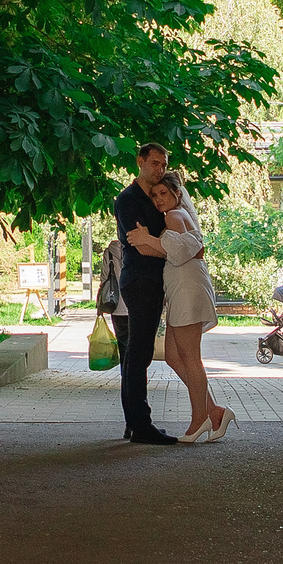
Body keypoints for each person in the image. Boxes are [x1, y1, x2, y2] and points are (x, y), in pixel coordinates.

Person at [139, 170, 235, 443]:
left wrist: (147, 239)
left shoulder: (174, 216)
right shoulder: (178, 216)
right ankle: (214, 411)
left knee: (190, 357)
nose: (158, 199)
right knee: (173, 356)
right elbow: (186, 247)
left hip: (187, 288)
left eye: (163, 194)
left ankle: (199, 420)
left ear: (177, 194)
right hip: (181, 289)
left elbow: (183, 251)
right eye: (154, 195)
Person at [109, 144, 180, 444]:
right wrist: (161, 242)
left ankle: (135, 422)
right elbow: (140, 244)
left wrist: (156, 240)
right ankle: (140, 424)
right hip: (139, 280)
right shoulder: (128, 200)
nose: (159, 170)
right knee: (138, 353)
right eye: (153, 163)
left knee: (139, 353)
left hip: (151, 280)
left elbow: (155, 240)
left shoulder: (155, 197)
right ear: (139, 161)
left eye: (163, 165)